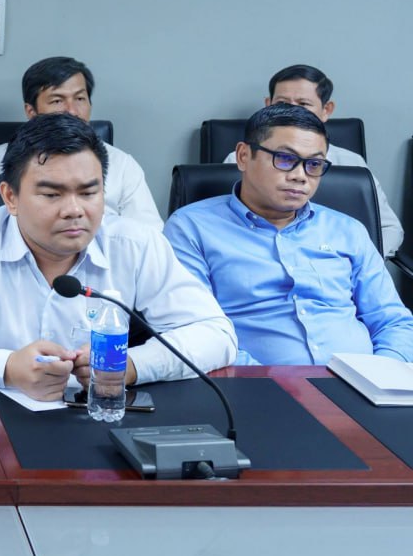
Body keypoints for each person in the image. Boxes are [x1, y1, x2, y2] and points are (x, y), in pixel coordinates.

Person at [0, 113, 234, 401]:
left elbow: (215, 334)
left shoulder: (136, 244)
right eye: (52, 194)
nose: (74, 210)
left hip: (106, 417)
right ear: (11, 197)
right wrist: (5, 367)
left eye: (89, 193)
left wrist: (132, 365)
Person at [167, 104, 413, 366]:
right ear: (243, 156)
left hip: (363, 382)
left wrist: (382, 373)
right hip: (251, 384)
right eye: (284, 159)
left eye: (314, 164)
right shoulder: (191, 228)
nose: (300, 176)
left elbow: (392, 321)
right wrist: (267, 382)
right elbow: (194, 329)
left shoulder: (348, 230)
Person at [222, 64, 401, 256]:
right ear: (268, 104)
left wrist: (359, 260)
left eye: (303, 104)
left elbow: (389, 228)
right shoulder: (242, 159)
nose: (291, 111)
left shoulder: (352, 162)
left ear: (326, 110)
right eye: (282, 103)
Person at [0, 56, 162, 229]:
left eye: (80, 98)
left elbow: (149, 235)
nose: (72, 111)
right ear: (31, 111)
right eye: (57, 101)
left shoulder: (122, 164)